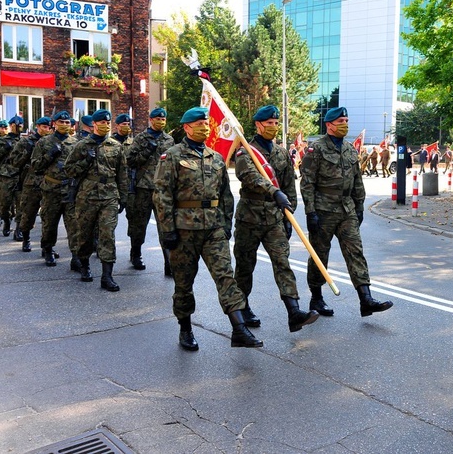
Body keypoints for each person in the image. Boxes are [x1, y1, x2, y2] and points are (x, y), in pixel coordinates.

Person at [153, 107, 261, 351]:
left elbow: (225, 195)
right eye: (199, 123)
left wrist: (225, 224)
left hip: (213, 229)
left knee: (226, 278)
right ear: (187, 128)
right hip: (183, 230)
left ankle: (239, 329)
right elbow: (162, 194)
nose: (205, 127)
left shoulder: (217, 157)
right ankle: (185, 328)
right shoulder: (172, 155)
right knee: (183, 283)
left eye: (206, 123)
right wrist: (167, 229)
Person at [300, 106, 393, 317]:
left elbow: (357, 180)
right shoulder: (317, 149)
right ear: (329, 125)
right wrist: (310, 211)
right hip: (323, 210)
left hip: (346, 209)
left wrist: (359, 206)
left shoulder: (350, 149)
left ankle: (365, 299)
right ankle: (316, 298)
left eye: (346, 120)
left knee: (355, 251)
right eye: (341, 121)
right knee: (319, 255)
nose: (345, 124)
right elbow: (307, 183)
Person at [233, 105, 319, 332]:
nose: (272, 127)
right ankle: (242, 308)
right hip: (248, 219)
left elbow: (289, 185)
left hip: (274, 219)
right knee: (244, 267)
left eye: (275, 123)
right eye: (268, 123)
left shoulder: (281, 153)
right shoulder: (246, 151)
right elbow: (249, 176)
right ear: (258, 125)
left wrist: (288, 214)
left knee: (283, 264)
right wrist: (273, 191)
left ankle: (294, 312)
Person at [63, 109, 128, 292]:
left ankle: (107, 276)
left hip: (109, 195)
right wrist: (85, 161)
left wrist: (123, 196)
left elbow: (122, 174)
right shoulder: (82, 145)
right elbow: (68, 170)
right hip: (87, 196)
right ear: (94, 125)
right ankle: (84, 265)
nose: (106, 125)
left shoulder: (116, 146)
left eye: (108, 123)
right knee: (85, 234)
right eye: (102, 123)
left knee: (108, 234)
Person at [126, 107, 174, 273]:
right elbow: (130, 161)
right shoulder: (140, 138)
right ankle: (136, 253)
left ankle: (169, 262)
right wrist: (147, 150)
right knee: (139, 225)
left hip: (162, 189)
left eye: (163, 119)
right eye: (157, 119)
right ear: (151, 120)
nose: (160, 122)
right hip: (143, 189)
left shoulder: (169, 140)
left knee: (165, 226)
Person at [31, 111, 80, 267]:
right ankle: (48, 249)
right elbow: (36, 166)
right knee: (50, 223)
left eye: (67, 123)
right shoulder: (44, 143)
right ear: (54, 123)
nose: (64, 125)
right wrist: (50, 155)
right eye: (61, 122)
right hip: (51, 189)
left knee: (74, 225)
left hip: (70, 189)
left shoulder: (76, 143)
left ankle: (76, 256)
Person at [11, 116, 53, 252]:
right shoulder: (26, 142)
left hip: (49, 182)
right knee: (28, 213)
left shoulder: (52, 142)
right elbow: (14, 162)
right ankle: (26, 239)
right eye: (44, 127)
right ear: (38, 127)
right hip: (31, 182)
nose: (47, 129)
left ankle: (47, 247)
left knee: (48, 216)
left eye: (49, 127)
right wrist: (26, 152)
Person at [0, 116, 23, 236]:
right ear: (11, 126)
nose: (17, 127)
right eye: (14, 125)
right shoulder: (2, 141)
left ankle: (19, 228)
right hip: (6, 176)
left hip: (21, 176)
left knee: (22, 205)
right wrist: (4, 148)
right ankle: (7, 221)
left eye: (19, 125)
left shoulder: (25, 141)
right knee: (3, 205)